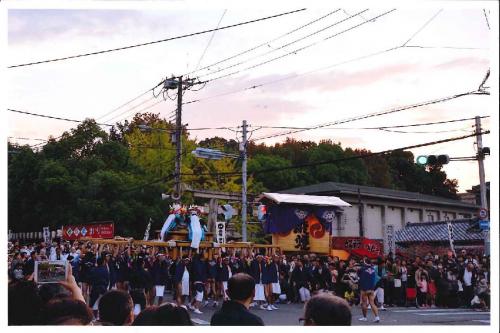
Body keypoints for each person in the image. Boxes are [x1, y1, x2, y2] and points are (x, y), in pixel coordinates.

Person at [358, 257, 380, 323]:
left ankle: (365, 317)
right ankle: (377, 317)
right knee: (372, 303)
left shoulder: (362, 269)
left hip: (364, 288)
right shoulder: (373, 269)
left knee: (364, 303)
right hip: (372, 288)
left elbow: (358, 276)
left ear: (364, 262)